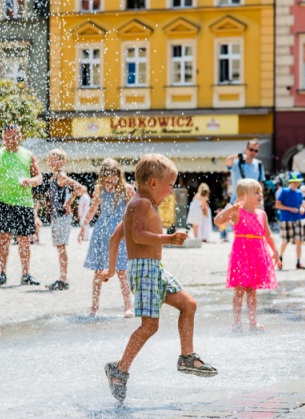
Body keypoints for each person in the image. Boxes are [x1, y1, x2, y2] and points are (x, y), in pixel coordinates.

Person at [101, 154, 217, 402]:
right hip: (144, 269)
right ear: (153, 183)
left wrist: (111, 270)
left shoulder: (136, 203)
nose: (170, 191)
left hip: (154, 268)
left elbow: (115, 238)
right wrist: (169, 239)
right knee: (149, 326)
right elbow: (139, 235)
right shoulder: (141, 204)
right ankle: (119, 371)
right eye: (169, 185)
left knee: (189, 304)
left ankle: (187, 357)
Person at [214, 179, 281, 333]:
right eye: (256, 192)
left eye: (260, 192)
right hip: (241, 255)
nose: (260, 195)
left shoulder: (261, 214)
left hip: (257, 255)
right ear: (243, 196)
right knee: (239, 290)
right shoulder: (237, 212)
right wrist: (230, 208)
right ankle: (237, 323)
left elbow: (268, 235)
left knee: (252, 290)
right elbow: (217, 221)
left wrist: (275, 251)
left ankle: (253, 323)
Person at [0, 123, 43, 287]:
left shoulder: (28, 155)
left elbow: (39, 176)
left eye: (15, 135)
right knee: (3, 239)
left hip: (24, 203)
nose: (12, 138)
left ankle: (25, 274)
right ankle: (2, 273)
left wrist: (30, 181)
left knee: (24, 240)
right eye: (9, 135)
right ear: (4, 137)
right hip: (4, 202)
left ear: (20, 136)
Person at [78, 159, 134, 317]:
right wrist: (84, 227)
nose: (110, 183)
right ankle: (94, 307)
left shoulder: (127, 189)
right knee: (98, 271)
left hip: (120, 232)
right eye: (107, 180)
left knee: (121, 270)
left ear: (119, 176)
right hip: (102, 233)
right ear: (102, 178)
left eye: (113, 180)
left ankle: (128, 306)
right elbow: (93, 208)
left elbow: (136, 210)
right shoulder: (99, 189)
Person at [47, 149, 84, 290]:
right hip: (58, 216)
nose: (50, 162)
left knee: (61, 247)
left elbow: (81, 188)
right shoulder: (55, 176)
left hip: (62, 216)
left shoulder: (61, 176)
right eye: (50, 160)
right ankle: (62, 278)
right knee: (60, 247)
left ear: (61, 162)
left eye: (53, 160)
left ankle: (63, 280)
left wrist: (69, 202)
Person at [275, 171, 305, 270]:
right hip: (286, 219)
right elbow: (277, 205)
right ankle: (280, 258)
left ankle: (298, 262)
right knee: (285, 241)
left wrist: (302, 208)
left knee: (298, 241)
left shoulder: (299, 192)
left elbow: (300, 204)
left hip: (297, 219)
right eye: (294, 182)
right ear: (290, 182)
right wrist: (290, 208)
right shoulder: (284, 191)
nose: (296, 184)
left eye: (298, 182)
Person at [225, 139, 266, 204]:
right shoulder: (238, 163)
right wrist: (237, 156)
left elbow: (261, 184)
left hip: (253, 203)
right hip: (237, 202)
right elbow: (228, 161)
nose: (253, 152)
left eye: (256, 151)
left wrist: (259, 198)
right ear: (246, 149)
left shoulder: (259, 164)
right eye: (251, 149)